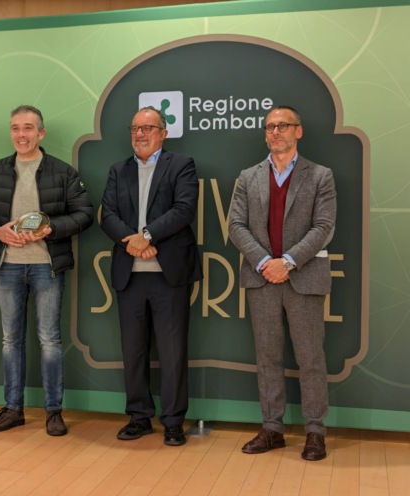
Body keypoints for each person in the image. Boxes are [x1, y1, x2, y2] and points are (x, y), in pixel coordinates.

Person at [0, 105, 93, 437]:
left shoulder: (63, 172)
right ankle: (13, 409)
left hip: (47, 267)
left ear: (41, 133)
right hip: (8, 267)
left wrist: (51, 229)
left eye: (28, 128)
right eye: (15, 128)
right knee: (10, 340)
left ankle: (54, 411)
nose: (21, 135)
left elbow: (84, 214)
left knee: (50, 340)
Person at [228, 105, 336, 461]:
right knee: (267, 357)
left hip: (304, 277)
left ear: (298, 131)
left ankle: (315, 431)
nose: (275, 132)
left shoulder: (320, 176)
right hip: (262, 278)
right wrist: (264, 263)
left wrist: (287, 262)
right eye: (270, 127)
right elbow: (236, 226)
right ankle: (272, 428)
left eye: (283, 126)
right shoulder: (248, 177)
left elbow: (324, 227)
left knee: (310, 357)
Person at [100, 106, 202, 446]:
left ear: (163, 133)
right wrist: (133, 243)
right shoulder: (118, 170)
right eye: (135, 129)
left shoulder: (181, 165)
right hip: (130, 273)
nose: (139, 134)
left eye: (147, 128)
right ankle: (139, 417)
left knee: (172, 353)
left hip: (169, 274)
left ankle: (173, 421)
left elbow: (184, 209)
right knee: (134, 351)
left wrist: (147, 236)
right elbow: (108, 214)